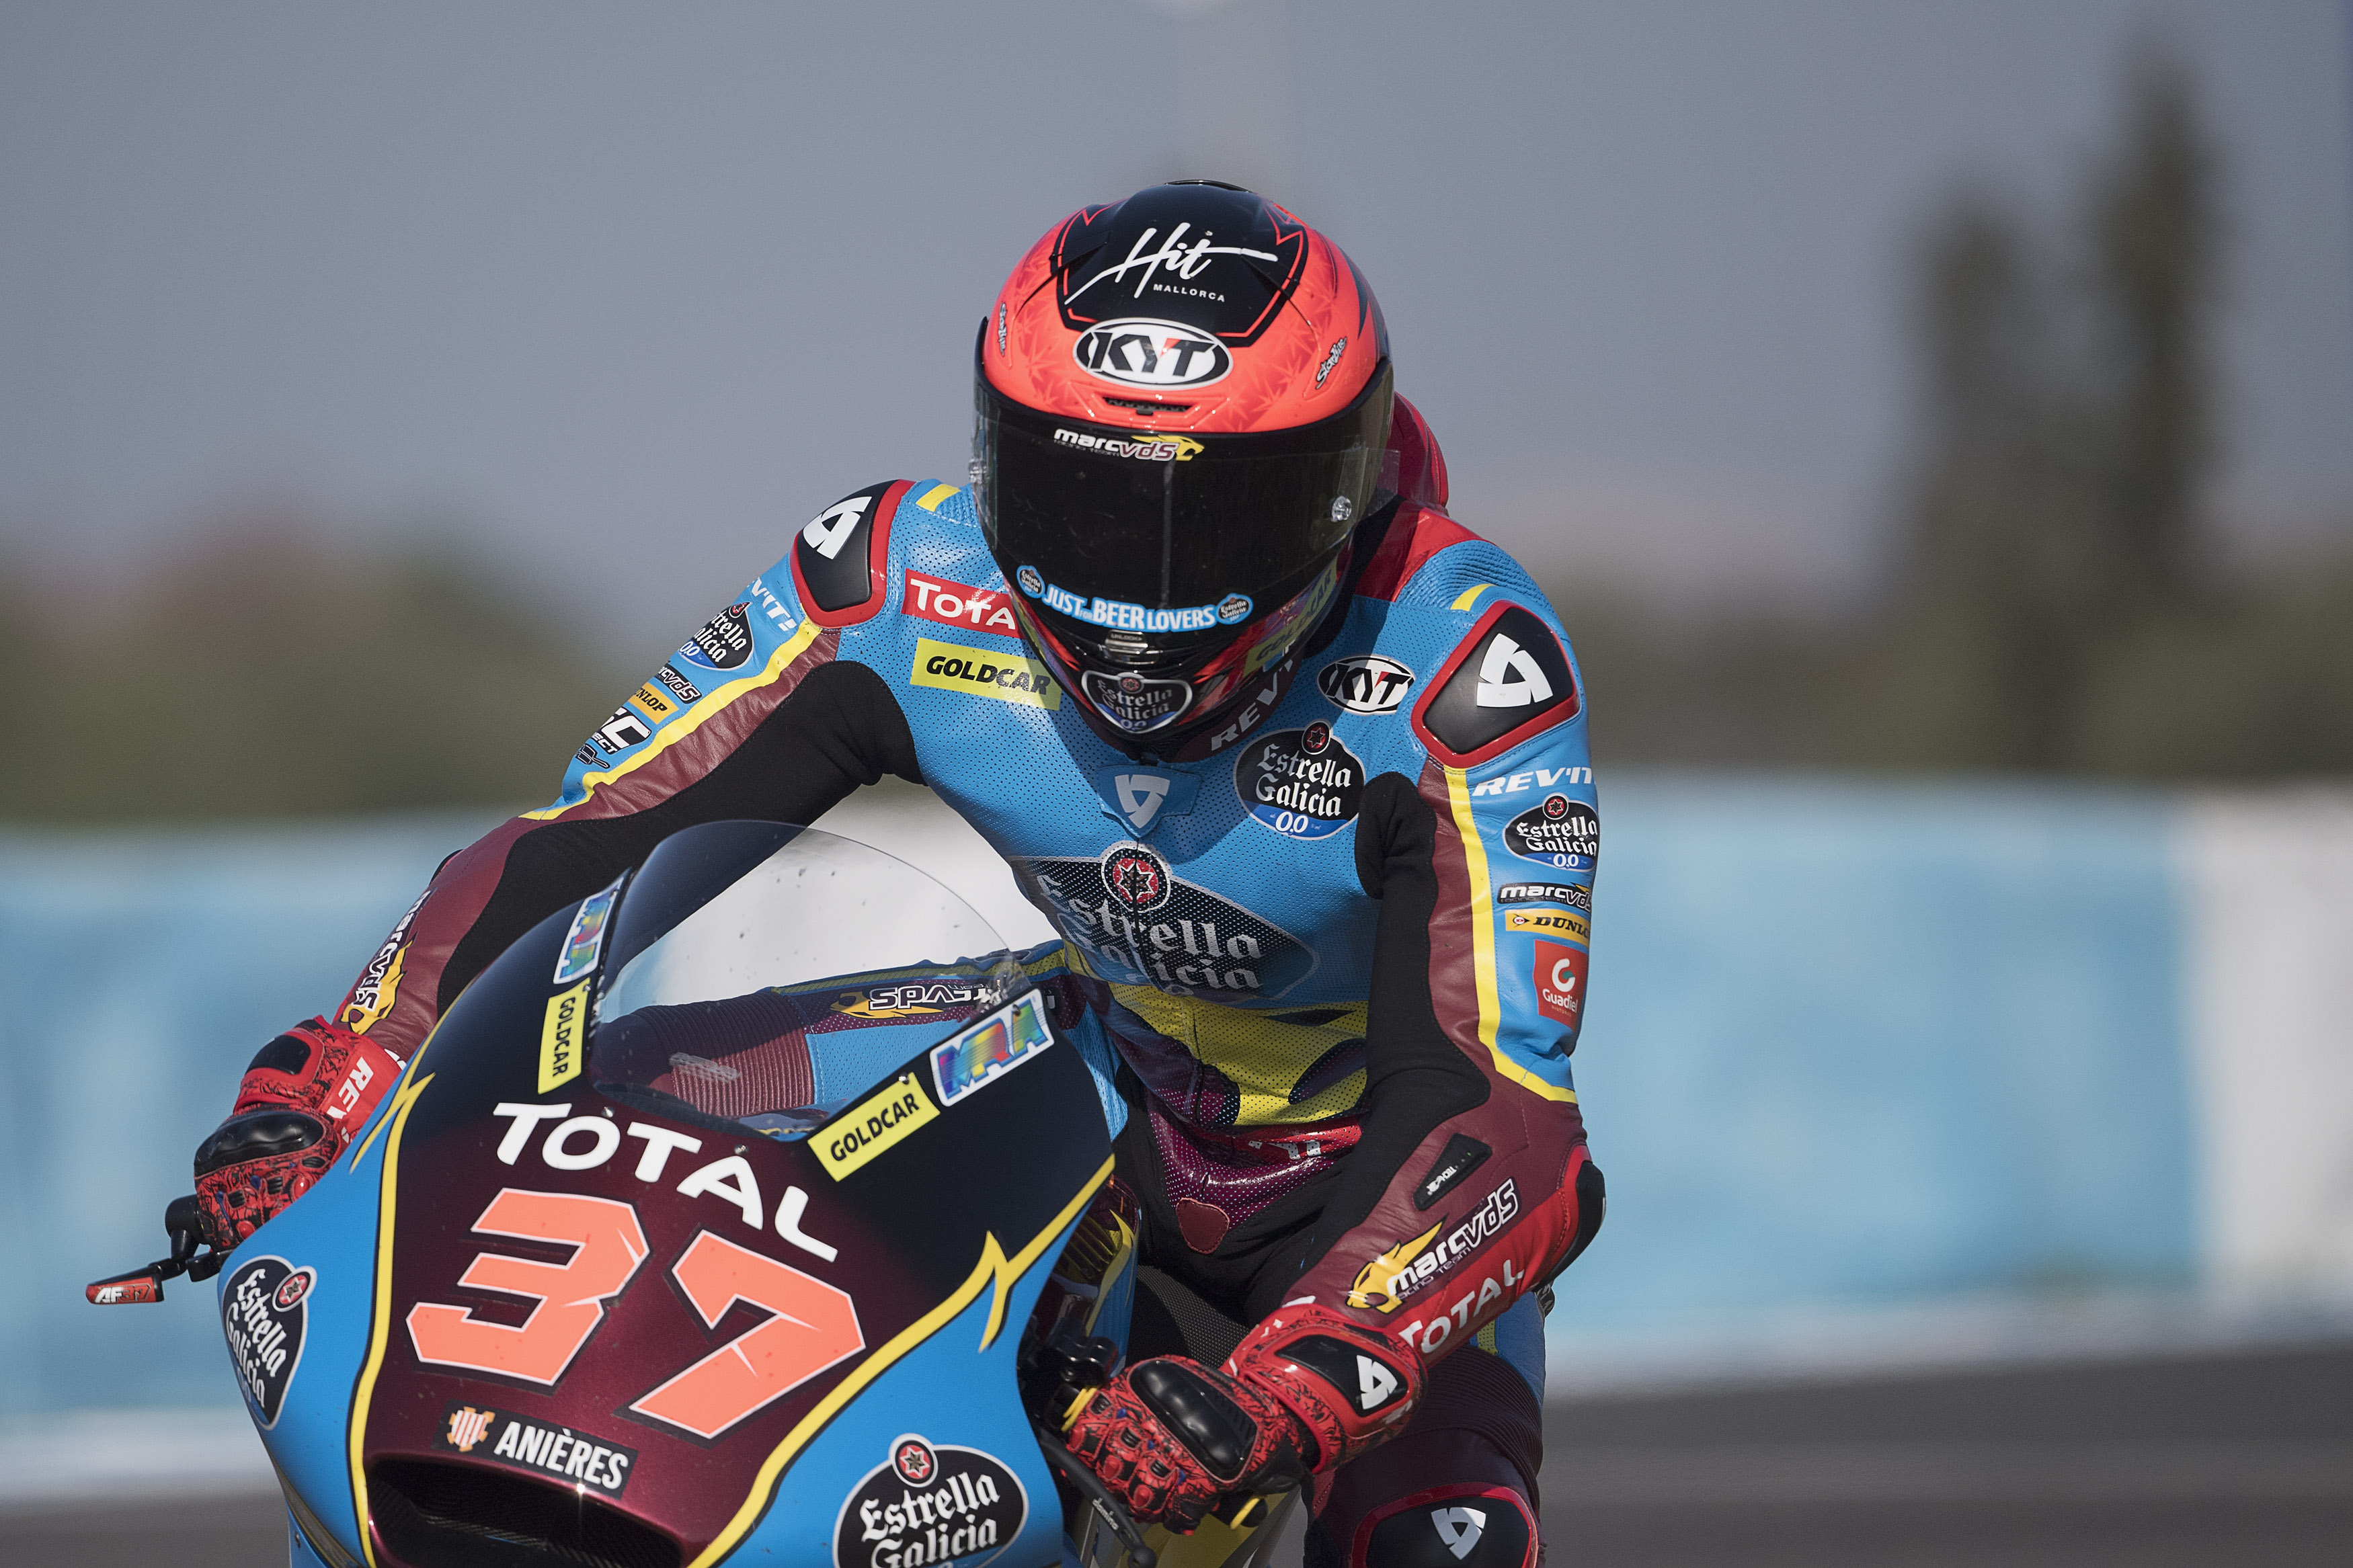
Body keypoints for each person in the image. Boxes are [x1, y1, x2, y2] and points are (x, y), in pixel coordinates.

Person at [192, 180, 1604, 1568]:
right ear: (995, 457)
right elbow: (589, 833)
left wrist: (1311, 1370)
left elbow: (1506, 1102)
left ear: (1345, 486)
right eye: (1085, 501)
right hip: (1093, 1142)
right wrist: (346, 1068)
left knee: (1439, 1541)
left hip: (1369, 1206)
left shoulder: (1466, 663)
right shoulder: (892, 574)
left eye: (1220, 521)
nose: (1142, 592)